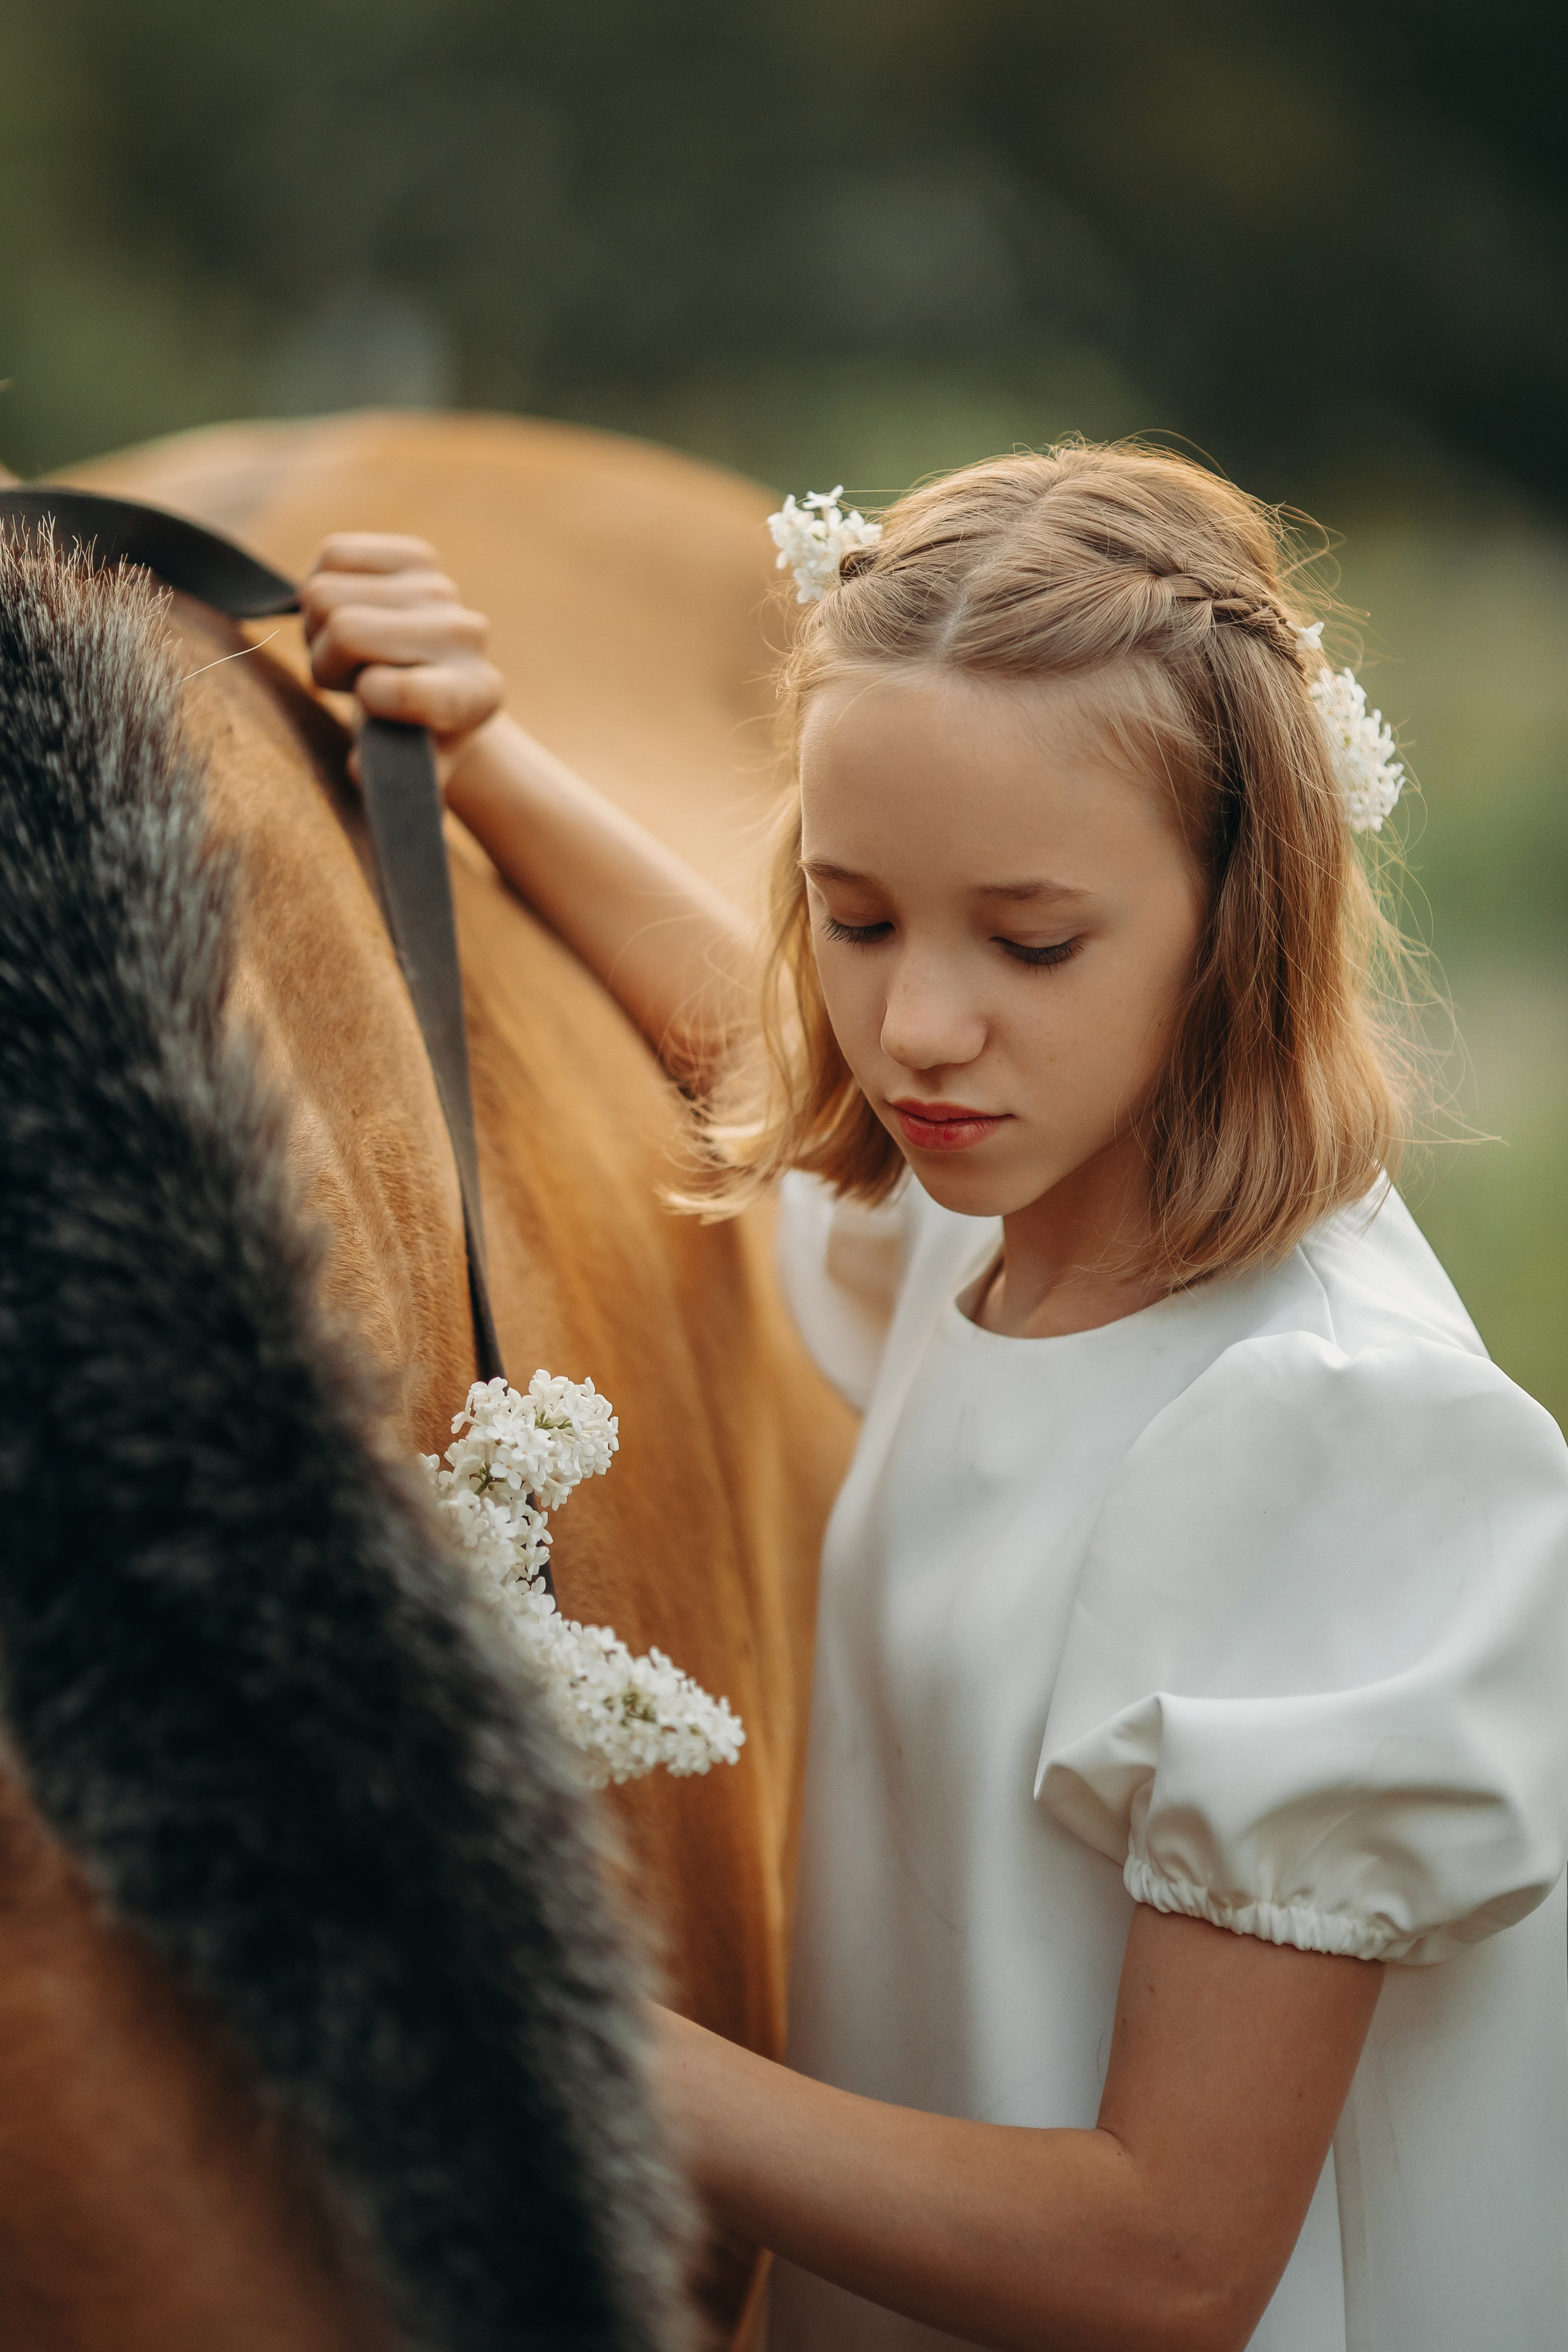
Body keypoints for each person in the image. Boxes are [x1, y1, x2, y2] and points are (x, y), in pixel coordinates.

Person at [301, 442, 1568, 2352]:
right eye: (859, 918)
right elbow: (746, 1032)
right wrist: (478, 751)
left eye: (1032, 942)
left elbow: (1169, 2265)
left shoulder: (1333, 1427)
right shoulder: (1016, 1222)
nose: (916, 1032)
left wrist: (546, 2009)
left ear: (1247, 914)